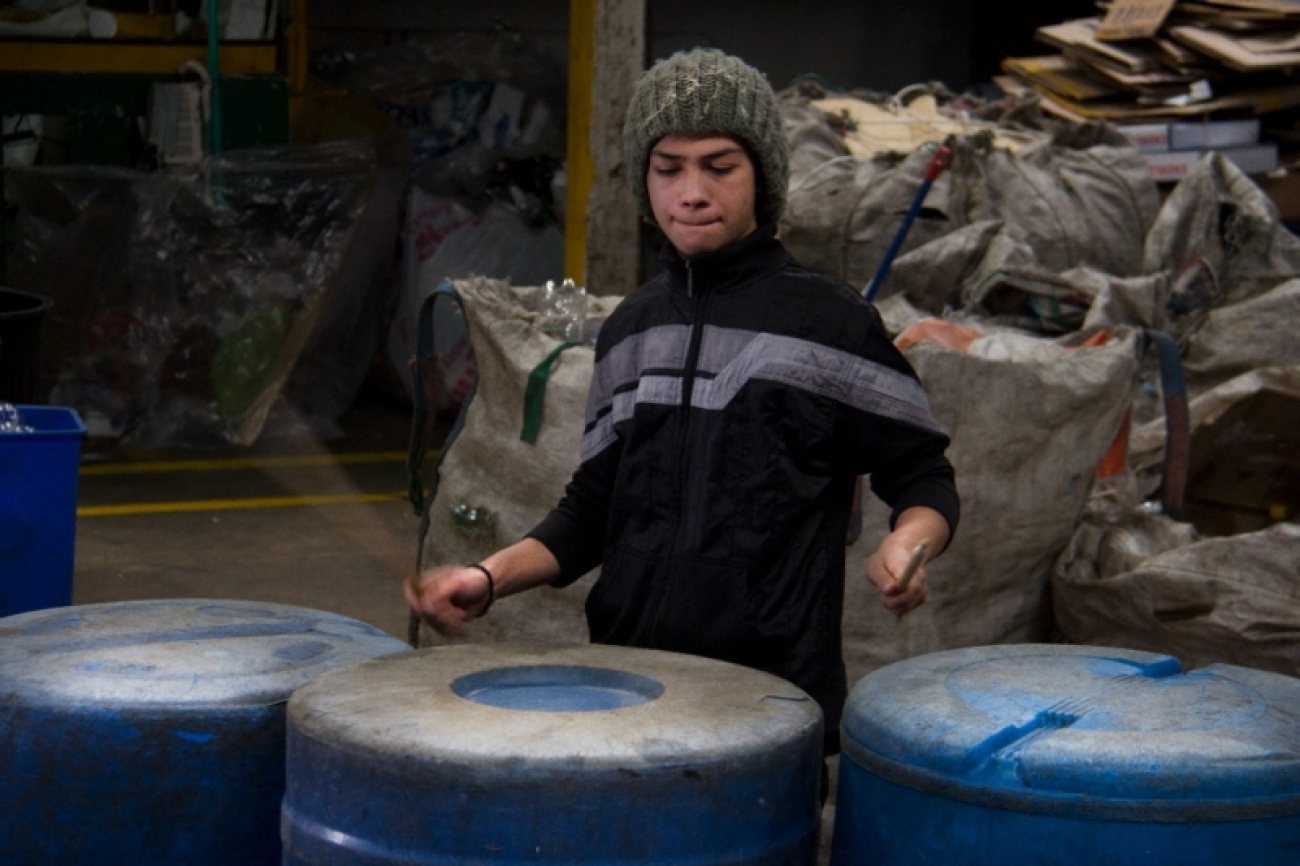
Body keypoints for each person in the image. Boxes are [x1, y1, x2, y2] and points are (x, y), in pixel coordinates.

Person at [406, 48, 959, 757]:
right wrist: (488, 579)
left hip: (768, 702)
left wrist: (909, 543)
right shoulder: (632, 330)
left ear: (763, 178)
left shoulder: (831, 325)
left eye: (719, 166)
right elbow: (593, 508)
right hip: (628, 691)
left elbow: (924, 477)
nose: (691, 192)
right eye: (668, 168)